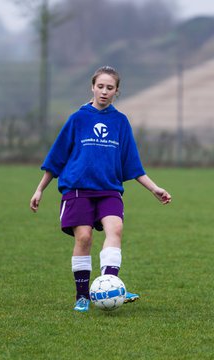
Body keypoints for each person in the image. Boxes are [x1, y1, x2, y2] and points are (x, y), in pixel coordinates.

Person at [30, 66, 171, 312]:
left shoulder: (120, 122)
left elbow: (132, 164)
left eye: (110, 88)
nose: (104, 92)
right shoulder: (78, 118)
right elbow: (57, 157)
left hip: (109, 190)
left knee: (115, 229)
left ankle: (110, 287)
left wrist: (154, 188)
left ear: (117, 91)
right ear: (92, 87)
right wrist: (40, 188)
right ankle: (83, 296)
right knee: (84, 237)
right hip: (77, 189)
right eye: (100, 86)